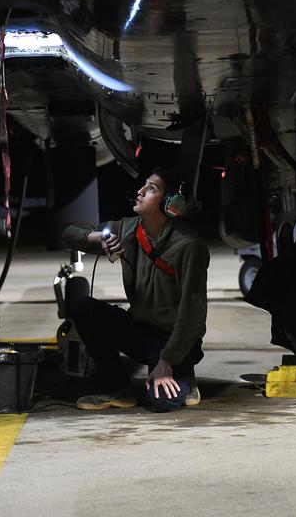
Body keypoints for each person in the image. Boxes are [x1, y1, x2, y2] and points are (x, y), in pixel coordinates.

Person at [62, 167, 210, 412]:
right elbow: (69, 232)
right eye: (144, 185)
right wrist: (97, 237)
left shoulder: (189, 246)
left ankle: (184, 374)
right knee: (84, 308)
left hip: (173, 340)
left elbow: (193, 316)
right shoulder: (129, 230)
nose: (140, 192)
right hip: (141, 331)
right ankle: (118, 385)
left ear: (171, 204)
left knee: (163, 403)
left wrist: (167, 360)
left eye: (151, 189)